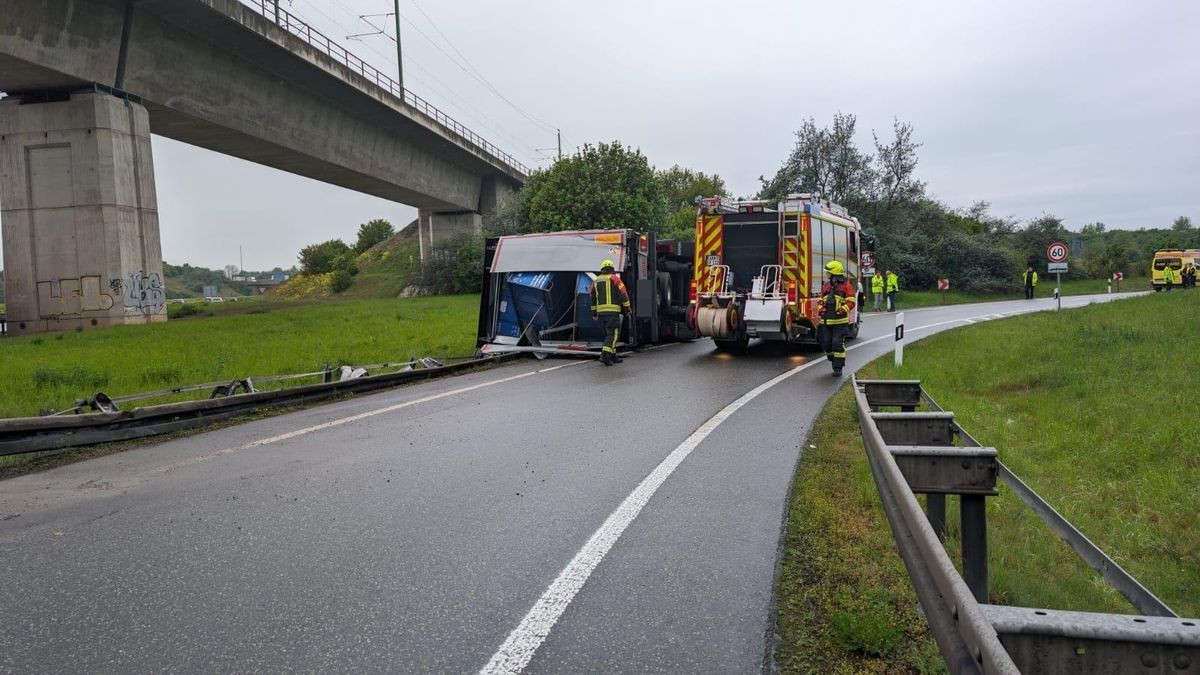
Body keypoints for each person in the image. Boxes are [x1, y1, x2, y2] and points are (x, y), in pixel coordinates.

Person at [817, 260, 857, 377]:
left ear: (834, 273)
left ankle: (838, 368)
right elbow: (820, 301)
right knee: (826, 344)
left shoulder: (846, 286)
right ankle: (832, 357)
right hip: (826, 322)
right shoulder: (826, 286)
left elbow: (851, 302)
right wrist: (821, 309)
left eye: (828, 272)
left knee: (837, 344)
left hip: (840, 322)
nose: (826, 274)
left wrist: (841, 310)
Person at [590, 259, 631, 365]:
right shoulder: (615, 279)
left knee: (609, 335)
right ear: (612, 269)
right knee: (613, 335)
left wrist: (594, 312)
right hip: (612, 312)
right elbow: (623, 294)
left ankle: (613, 356)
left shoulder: (596, 280)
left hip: (601, 314)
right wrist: (627, 308)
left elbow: (592, 297)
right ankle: (605, 355)